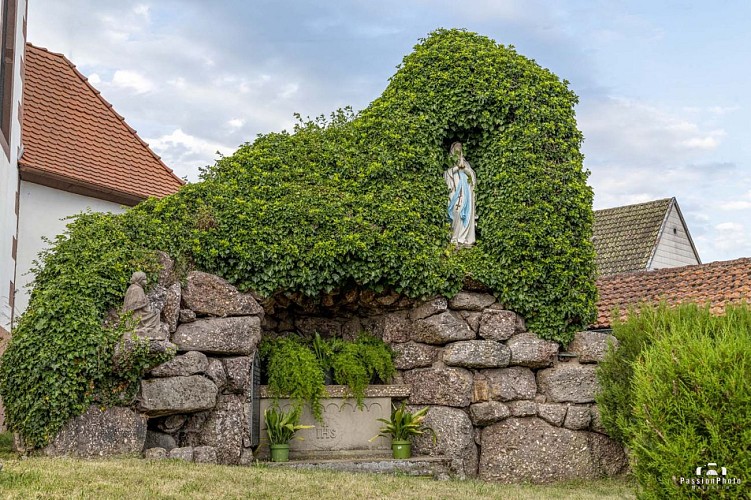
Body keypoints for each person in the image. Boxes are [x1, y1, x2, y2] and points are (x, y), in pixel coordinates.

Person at [444, 142, 476, 246]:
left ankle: (462, 237)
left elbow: (472, 175)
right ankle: (454, 237)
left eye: (460, 147)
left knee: (465, 213)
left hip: (465, 193)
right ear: (452, 149)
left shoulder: (466, 163)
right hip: (455, 192)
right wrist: (457, 168)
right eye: (456, 147)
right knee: (456, 212)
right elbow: (446, 174)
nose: (458, 149)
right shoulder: (450, 161)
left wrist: (464, 169)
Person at [122, 271, 161, 338]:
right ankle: (147, 328)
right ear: (139, 280)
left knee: (155, 312)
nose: (146, 281)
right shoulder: (136, 289)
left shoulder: (134, 288)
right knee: (156, 313)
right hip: (136, 315)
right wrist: (145, 302)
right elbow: (134, 305)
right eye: (144, 279)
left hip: (139, 313)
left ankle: (149, 329)